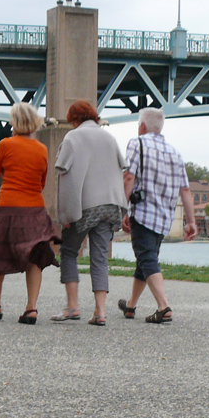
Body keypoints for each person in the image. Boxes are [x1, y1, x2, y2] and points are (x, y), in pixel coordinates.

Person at [0, 102, 57, 324]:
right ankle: (31, 308)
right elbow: (42, 182)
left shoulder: (6, 144)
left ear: (14, 122)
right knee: (35, 255)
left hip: (8, 207)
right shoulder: (42, 149)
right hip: (35, 209)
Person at [52, 100, 128, 325]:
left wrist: (65, 215)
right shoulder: (109, 138)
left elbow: (66, 178)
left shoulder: (72, 138)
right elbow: (120, 170)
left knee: (69, 251)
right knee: (100, 257)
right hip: (110, 204)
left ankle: (73, 307)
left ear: (74, 119)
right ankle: (100, 311)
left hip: (84, 205)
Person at [120, 107, 198, 324]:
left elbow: (129, 178)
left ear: (143, 126)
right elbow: (185, 190)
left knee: (146, 258)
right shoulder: (175, 152)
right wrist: (191, 222)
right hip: (164, 217)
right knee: (145, 259)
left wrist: (122, 209)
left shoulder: (137, 143)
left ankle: (164, 307)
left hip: (143, 213)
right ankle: (130, 305)